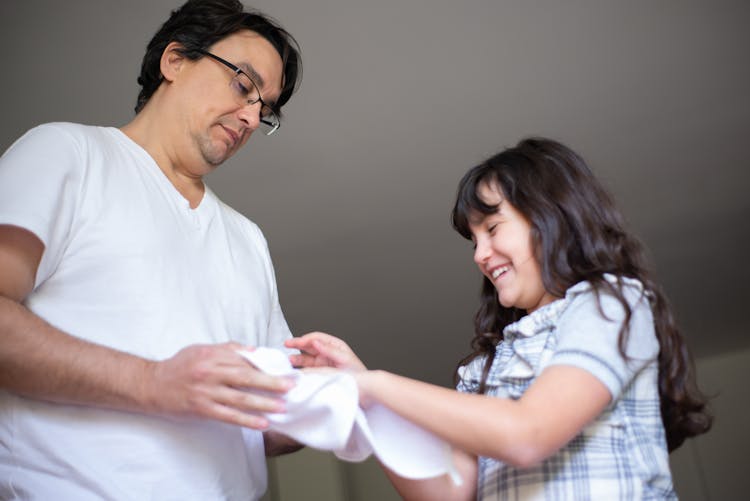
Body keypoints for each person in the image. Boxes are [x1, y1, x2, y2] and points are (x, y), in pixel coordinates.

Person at [288, 137, 713, 500]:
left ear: (552, 217)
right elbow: (450, 493)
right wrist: (366, 399)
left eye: (492, 229)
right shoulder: (487, 366)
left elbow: (528, 435)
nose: (479, 256)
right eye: (473, 240)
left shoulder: (609, 304)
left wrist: (375, 383)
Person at [0, 0, 303, 499]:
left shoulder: (247, 238)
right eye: (243, 85)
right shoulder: (67, 153)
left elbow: (263, 424)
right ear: (176, 60)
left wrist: (330, 402)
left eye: (264, 109)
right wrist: (155, 382)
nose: (251, 117)